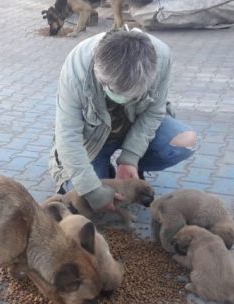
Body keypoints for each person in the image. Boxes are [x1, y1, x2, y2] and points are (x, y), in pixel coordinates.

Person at [49, 29, 197, 213]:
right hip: (93, 141)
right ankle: (103, 170)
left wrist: (130, 157)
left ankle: (131, 171)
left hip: (131, 128)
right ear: (98, 72)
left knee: (185, 141)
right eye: (115, 92)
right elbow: (67, 136)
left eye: (131, 96)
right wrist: (92, 190)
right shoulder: (77, 68)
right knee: (83, 200)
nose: (122, 99)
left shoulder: (161, 58)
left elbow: (154, 111)